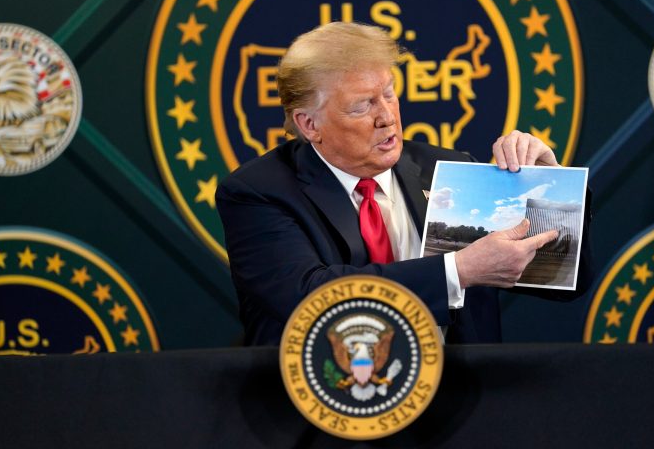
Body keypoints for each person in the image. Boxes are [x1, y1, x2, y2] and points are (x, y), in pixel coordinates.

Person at [216, 22, 590, 345]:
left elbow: (566, 282)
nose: (387, 117)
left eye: (389, 93)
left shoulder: (447, 170)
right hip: (329, 393)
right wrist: (457, 271)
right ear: (309, 124)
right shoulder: (258, 192)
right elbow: (310, 296)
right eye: (362, 105)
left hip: (460, 396)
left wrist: (552, 184)